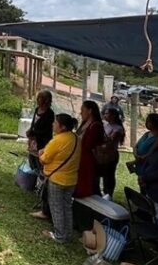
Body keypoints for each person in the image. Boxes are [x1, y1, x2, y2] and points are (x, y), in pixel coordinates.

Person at [39, 114, 81, 243]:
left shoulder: (58, 140)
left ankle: (59, 235)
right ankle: (67, 233)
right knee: (67, 207)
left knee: (56, 207)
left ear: (62, 127)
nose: (53, 124)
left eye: (55, 123)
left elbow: (44, 160)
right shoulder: (76, 138)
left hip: (57, 179)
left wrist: (40, 154)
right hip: (71, 179)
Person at [28, 91, 56, 221]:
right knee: (32, 160)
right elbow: (34, 122)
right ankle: (36, 184)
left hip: (42, 141)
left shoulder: (50, 113)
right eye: (38, 98)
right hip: (34, 140)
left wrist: (34, 133)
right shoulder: (37, 109)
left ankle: (40, 187)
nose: (38, 100)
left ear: (46, 100)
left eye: (41, 98)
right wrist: (31, 131)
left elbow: (46, 130)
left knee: (41, 164)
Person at [74, 100, 104, 198]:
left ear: (90, 111)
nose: (81, 112)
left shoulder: (95, 125)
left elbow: (89, 145)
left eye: (83, 110)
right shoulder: (85, 123)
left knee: (89, 183)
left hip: (88, 159)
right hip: (81, 157)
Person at [98, 107, 125, 200]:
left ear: (113, 115)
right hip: (101, 154)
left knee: (109, 176)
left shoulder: (118, 128)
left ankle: (108, 194)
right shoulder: (105, 125)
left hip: (110, 155)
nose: (105, 115)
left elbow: (110, 141)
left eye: (107, 113)